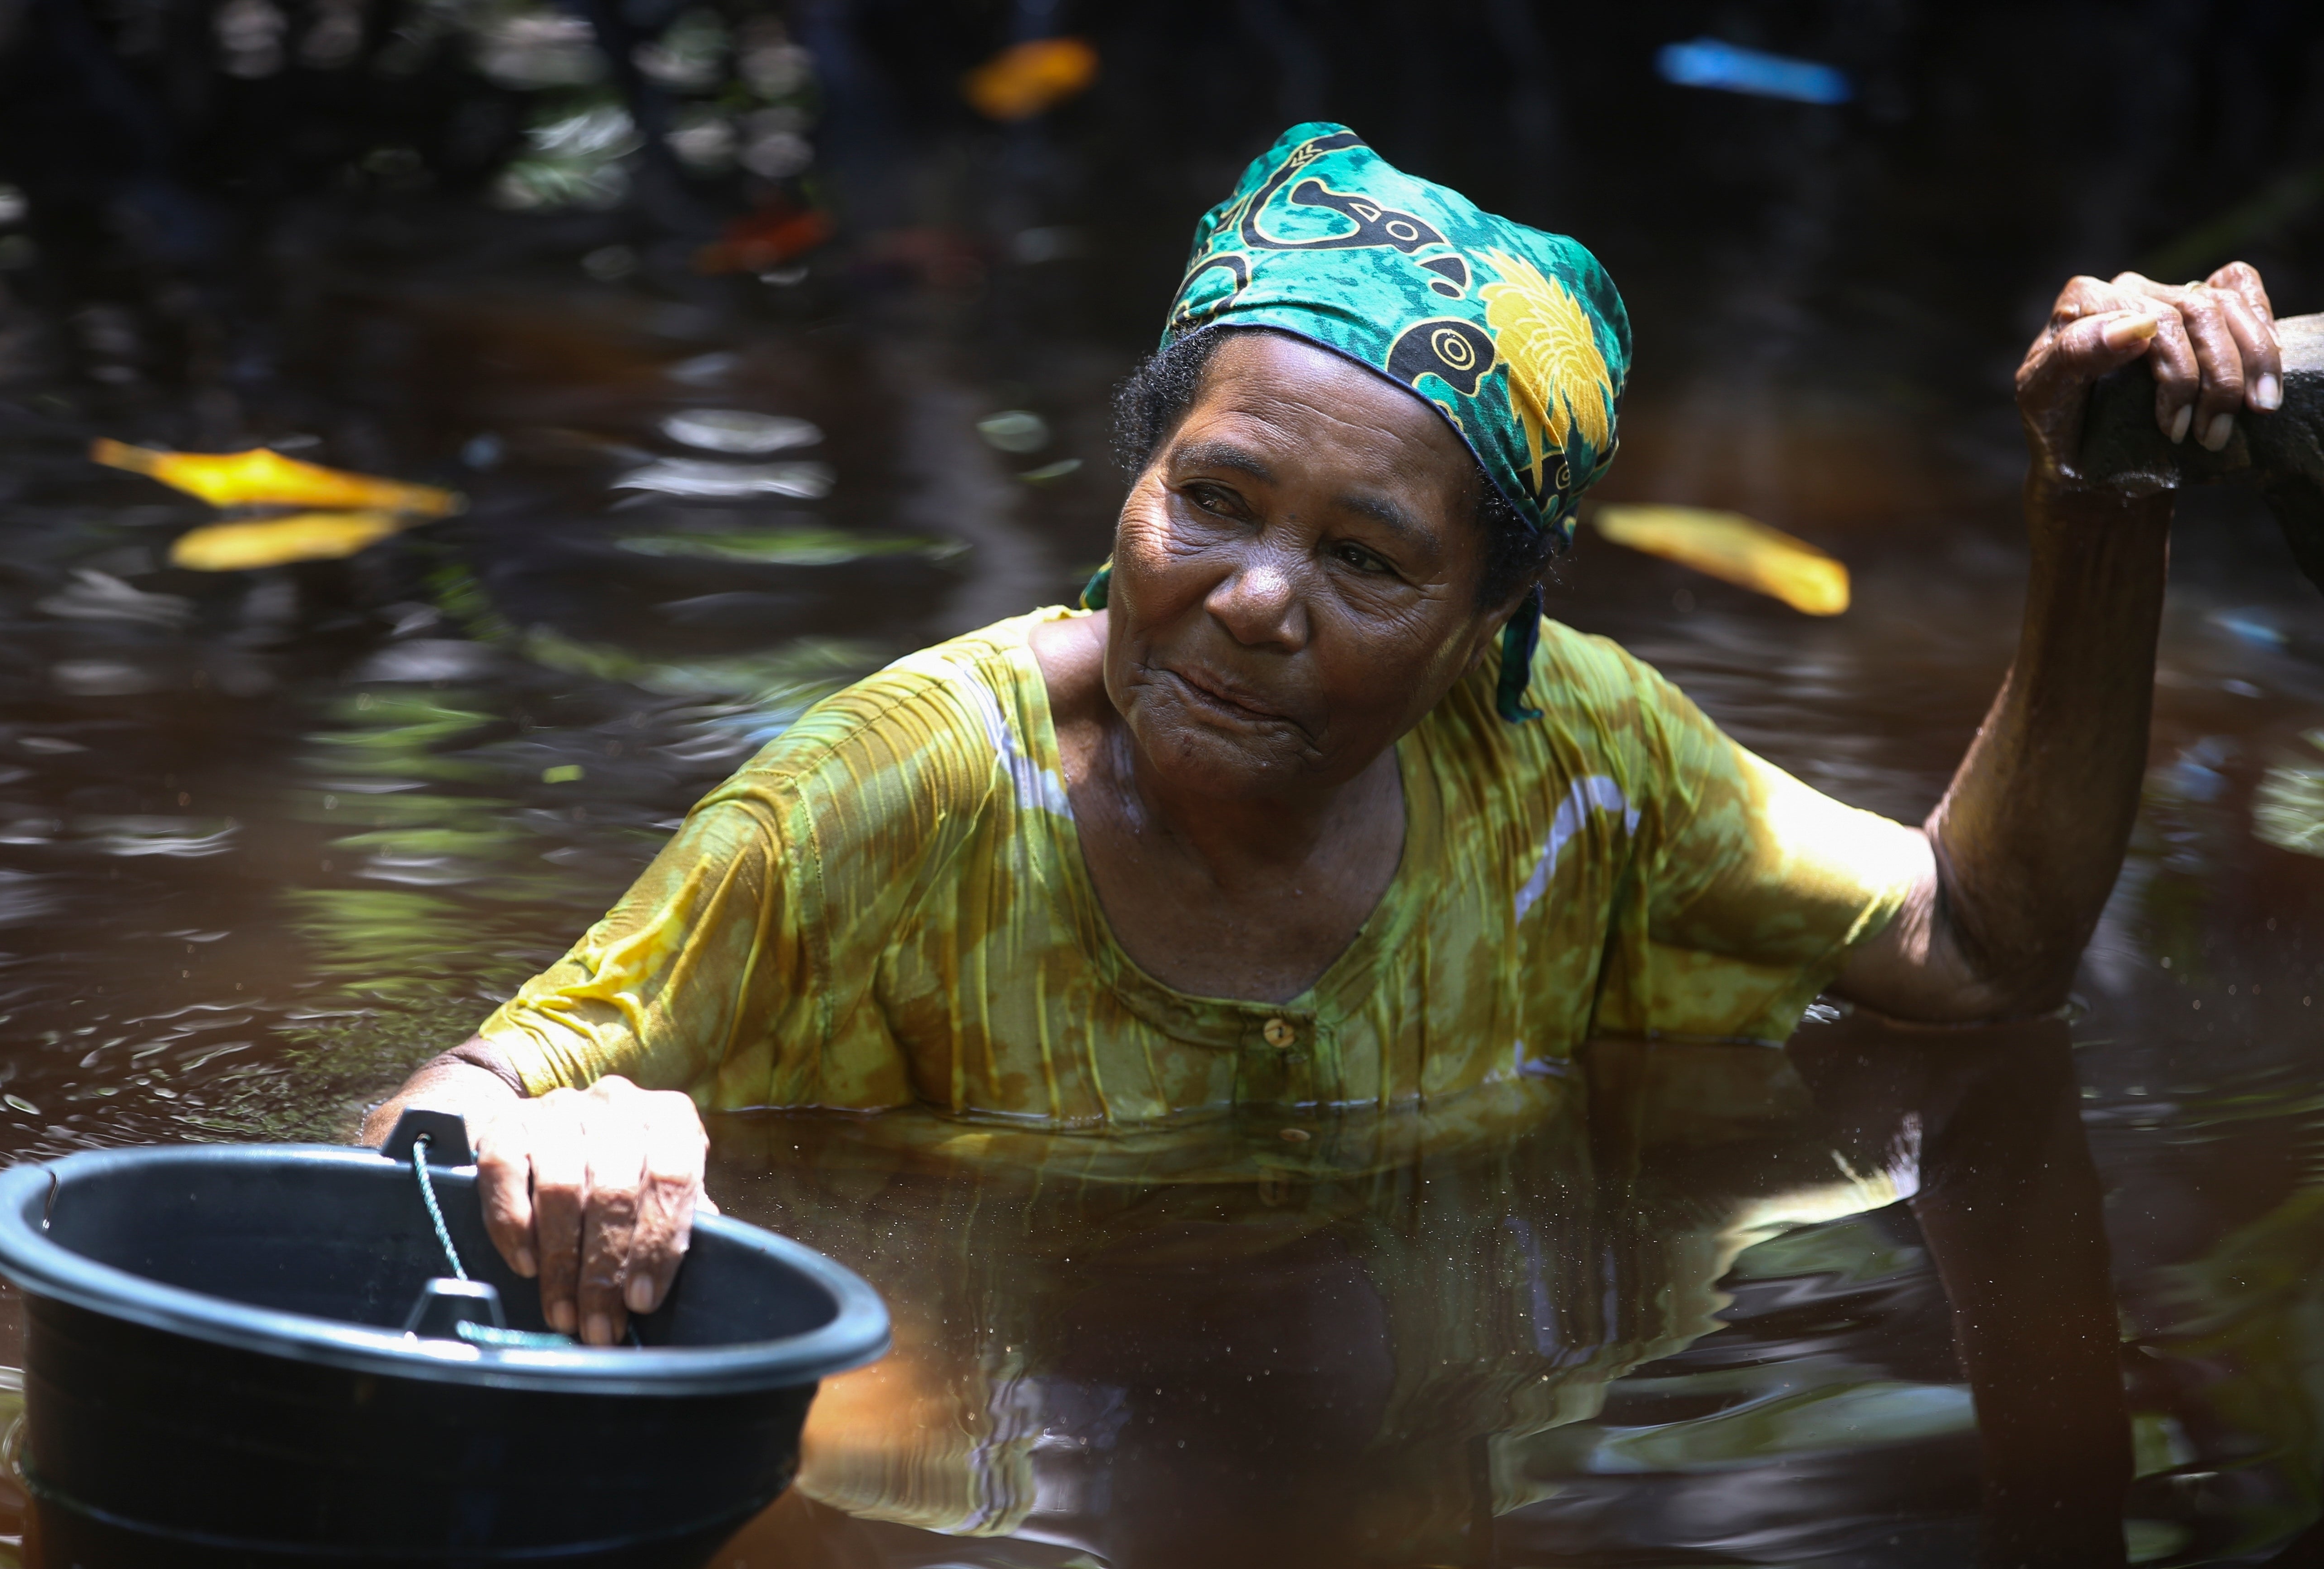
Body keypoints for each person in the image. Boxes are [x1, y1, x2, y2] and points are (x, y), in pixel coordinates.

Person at [362, 122, 2282, 1348]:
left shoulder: (1575, 770)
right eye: (1212, 503)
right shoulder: (916, 789)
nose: (1253, 596)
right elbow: (429, 1118)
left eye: (1364, 558)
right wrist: (556, 1151)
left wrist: (2097, 513)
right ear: (1135, 492)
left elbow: (1980, 950)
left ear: (1480, 638)